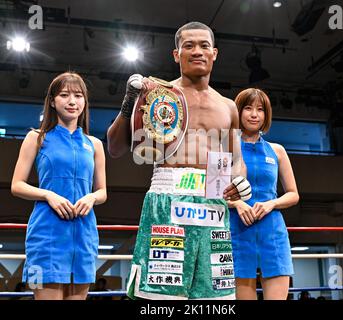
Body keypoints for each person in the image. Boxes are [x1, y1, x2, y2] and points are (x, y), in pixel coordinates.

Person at [107, 21, 250, 300]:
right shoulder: (157, 95)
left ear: (215, 53)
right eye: (189, 45)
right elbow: (114, 148)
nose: (197, 51)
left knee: (214, 300)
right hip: (168, 199)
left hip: (214, 202)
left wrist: (240, 182)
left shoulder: (228, 107)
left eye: (204, 45)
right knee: (161, 299)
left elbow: (236, 160)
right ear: (176, 55)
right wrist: (129, 102)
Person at [11, 72, 107, 300]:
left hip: (84, 236)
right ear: (53, 101)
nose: (72, 101)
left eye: (78, 95)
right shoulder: (36, 137)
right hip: (46, 235)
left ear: (85, 101)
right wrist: (48, 195)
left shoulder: (94, 144)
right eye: (64, 95)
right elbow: (17, 185)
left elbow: (103, 191)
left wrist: (92, 198)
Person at [228, 88, 299, 300]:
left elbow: (293, 194)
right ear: (238, 112)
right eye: (248, 108)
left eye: (260, 109)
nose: (254, 114)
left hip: (273, 231)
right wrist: (237, 204)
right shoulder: (225, 147)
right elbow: (212, 192)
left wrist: (271, 204)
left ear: (266, 115)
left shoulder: (277, 150)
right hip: (237, 230)